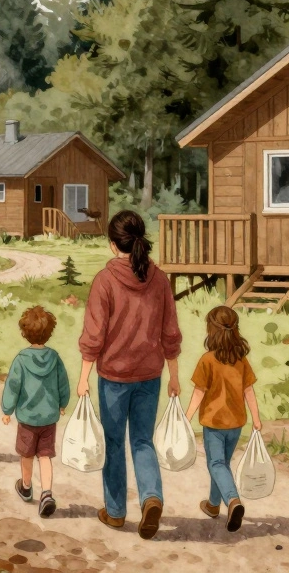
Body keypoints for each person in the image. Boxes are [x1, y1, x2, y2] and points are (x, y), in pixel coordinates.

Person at [77, 210, 182, 540]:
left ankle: (117, 512)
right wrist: (175, 376)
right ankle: (151, 497)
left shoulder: (104, 281)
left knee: (113, 442)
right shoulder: (160, 278)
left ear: (112, 245)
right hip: (151, 375)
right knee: (142, 441)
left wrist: (83, 377)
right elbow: (171, 333)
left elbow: (94, 336)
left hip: (113, 378)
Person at [184, 305, 261, 533]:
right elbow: (249, 391)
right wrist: (256, 419)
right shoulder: (241, 360)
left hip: (214, 423)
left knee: (216, 464)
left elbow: (199, 391)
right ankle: (213, 505)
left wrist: (186, 418)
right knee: (222, 466)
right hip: (237, 422)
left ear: (211, 330)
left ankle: (233, 500)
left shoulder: (207, 360)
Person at [1, 306, 71, 518]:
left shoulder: (21, 359)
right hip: (49, 417)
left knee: (27, 454)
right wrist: (62, 403)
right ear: (49, 333)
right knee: (45, 456)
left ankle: (26, 486)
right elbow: (63, 384)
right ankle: (47, 493)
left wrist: (7, 409)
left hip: (28, 418)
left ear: (25, 332)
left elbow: (13, 386)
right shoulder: (55, 357)